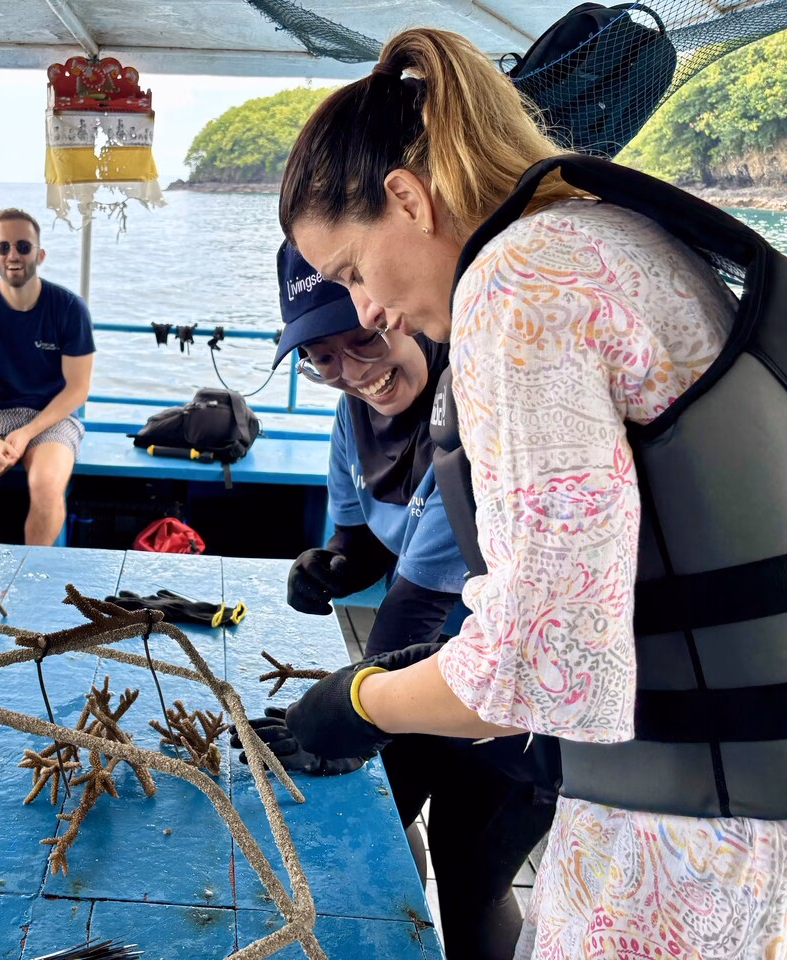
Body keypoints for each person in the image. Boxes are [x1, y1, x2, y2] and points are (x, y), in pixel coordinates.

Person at [272, 26, 786, 960]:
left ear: (408, 199)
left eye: (352, 271)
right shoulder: (610, 230)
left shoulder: (516, 284)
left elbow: (544, 668)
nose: (369, 310)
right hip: (746, 821)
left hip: (685, 851)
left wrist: (358, 700)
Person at [245, 241, 554, 960]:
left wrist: (339, 718)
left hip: (505, 698)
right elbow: (363, 544)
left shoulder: (471, 422)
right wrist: (328, 568)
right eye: (321, 357)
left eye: (363, 340)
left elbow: (413, 608)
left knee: (471, 880)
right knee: (387, 835)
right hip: (418, 678)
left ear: (396, 312)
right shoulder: (351, 418)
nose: (352, 372)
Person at [0, 209, 94, 545]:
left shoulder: (69, 308)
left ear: (40, 254)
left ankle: (32, 571)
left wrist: (27, 433)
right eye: (3, 247)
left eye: (23, 247)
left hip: (51, 417)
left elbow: (77, 389)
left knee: (46, 485)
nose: (13, 255)